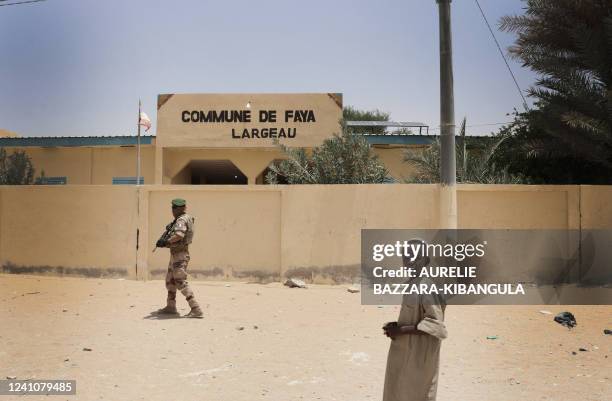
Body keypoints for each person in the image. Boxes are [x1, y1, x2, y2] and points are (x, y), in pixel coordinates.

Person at [382, 240, 447, 401]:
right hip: (406, 349)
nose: (410, 260)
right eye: (407, 256)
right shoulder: (412, 284)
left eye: (415, 257)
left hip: (420, 353)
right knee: (399, 387)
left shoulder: (427, 286)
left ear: (425, 260)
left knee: (417, 391)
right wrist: (397, 326)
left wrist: (401, 330)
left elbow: (436, 325)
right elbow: (414, 317)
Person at [154, 198, 203, 318]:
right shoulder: (186, 218)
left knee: (180, 281)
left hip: (180, 254)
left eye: (173, 208)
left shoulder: (181, 220)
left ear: (178, 209)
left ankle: (196, 308)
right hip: (176, 254)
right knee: (170, 280)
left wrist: (166, 242)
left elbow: (179, 234)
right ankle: (171, 306)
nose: (172, 211)